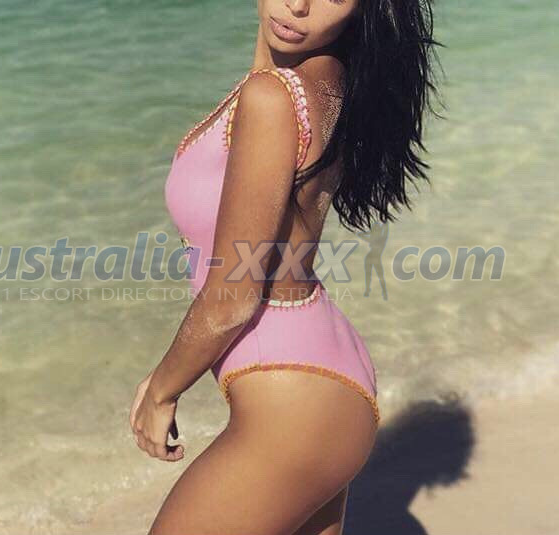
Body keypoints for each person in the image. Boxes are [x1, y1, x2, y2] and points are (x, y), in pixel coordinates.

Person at [130, 0, 440, 533]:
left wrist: (161, 389)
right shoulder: (325, 82)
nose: (298, 5)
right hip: (327, 384)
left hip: (292, 410)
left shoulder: (273, 97)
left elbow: (232, 296)